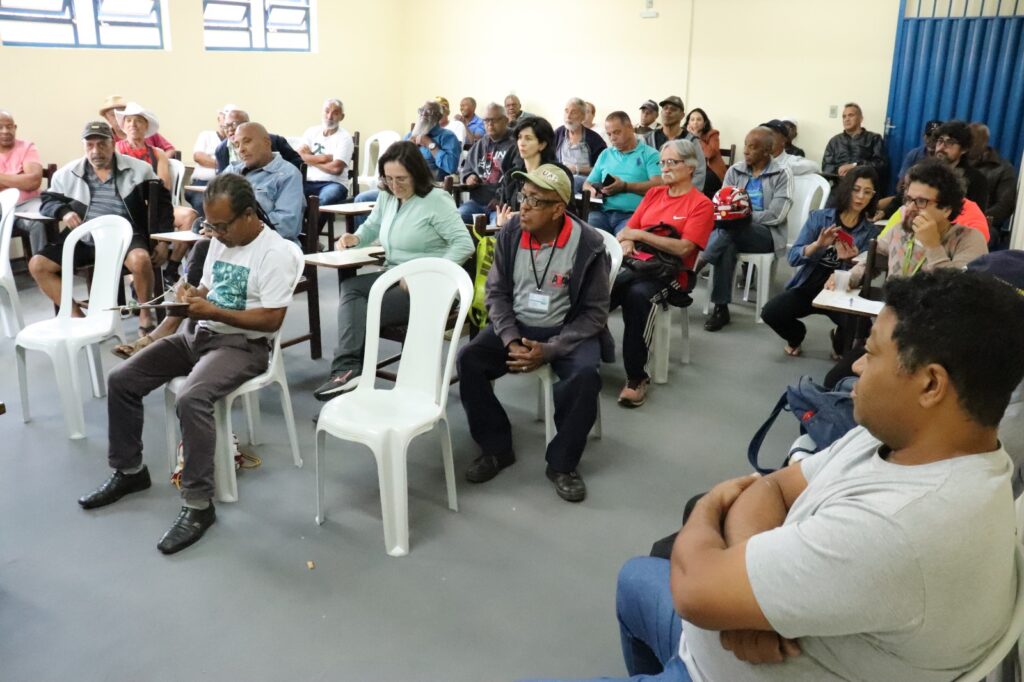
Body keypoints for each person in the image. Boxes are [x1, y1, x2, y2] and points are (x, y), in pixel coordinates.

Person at [561, 267, 1024, 682]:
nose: (857, 365)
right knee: (634, 579)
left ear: (930, 384)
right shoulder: (913, 439)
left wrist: (709, 507)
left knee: (661, 574)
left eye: (872, 352)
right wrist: (750, 611)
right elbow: (775, 485)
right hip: (715, 646)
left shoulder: (903, 527)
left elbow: (694, 591)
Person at [77, 173, 301, 555]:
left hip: (243, 346)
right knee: (122, 380)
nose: (215, 232)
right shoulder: (219, 241)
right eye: (210, 224)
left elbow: (271, 321)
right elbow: (211, 290)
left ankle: (199, 504)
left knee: (192, 398)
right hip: (201, 335)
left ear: (249, 215)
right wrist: (192, 295)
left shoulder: (274, 253)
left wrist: (211, 309)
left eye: (222, 225)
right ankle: (130, 472)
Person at [456, 164, 611, 502]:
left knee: (585, 375)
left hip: (568, 330)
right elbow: (495, 294)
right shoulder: (511, 232)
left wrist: (550, 350)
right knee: (470, 359)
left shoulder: (588, 243)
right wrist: (510, 339)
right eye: (523, 196)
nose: (523, 206)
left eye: (536, 201)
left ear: (558, 209)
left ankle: (562, 463)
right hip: (517, 325)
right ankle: (496, 448)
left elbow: (595, 314)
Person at [313, 141, 474, 400]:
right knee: (351, 289)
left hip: (430, 285)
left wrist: (428, 275)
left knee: (363, 311)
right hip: (394, 274)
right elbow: (372, 226)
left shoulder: (436, 200)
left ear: (417, 174)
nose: (394, 185)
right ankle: (349, 372)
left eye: (401, 179)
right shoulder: (388, 196)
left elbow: (463, 244)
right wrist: (355, 237)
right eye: (388, 178)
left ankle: (349, 377)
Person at [822, 158, 989, 388]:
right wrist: (850, 276)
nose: (910, 208)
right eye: (909, 198)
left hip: (934, 346)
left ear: (946, 208)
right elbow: (874, 255)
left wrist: (932, 247)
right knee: (835, 381)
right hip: (891, 332)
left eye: (921, 202)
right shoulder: (902, 228)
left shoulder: (969, 240)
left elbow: (958, 294)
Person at [31, 121, 173, 336]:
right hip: (84, 237)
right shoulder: (68, 173)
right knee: (38, 265)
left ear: (113, 143)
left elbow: (162, 204)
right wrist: (64, 212)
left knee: (141, 260)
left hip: (126, 235)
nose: (96, 151)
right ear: (84, 146)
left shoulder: (138, 169)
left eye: (102, 144)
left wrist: (163, 241)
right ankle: (77, 317)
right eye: (90, 145)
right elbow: (47, 201)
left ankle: (145, 313)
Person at [612, 140, 715, 408]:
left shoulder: (700, 204)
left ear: (691, 167)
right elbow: (627, 233)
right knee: (605, 283)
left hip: (670, 274)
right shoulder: (654, 194)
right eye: (662, 163)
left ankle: (637, 377)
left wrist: (638, 235)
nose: (665, 168)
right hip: (636, 264)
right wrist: (628, 244)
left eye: (672, 162)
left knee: (636, 296)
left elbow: (683, 249)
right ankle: (583, 345)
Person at [761, 167, 880, 357]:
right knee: (771, 312)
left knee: (861, 331)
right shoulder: (819, 218)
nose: (861, 197)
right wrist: (817, 245)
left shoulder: (870, 232)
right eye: (856, 189)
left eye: (867, 192)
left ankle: (838, 337)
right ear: (846, 189)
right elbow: (792, 258)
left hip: (841, 291)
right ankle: (796, 336)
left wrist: (852, 261)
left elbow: (871, 272)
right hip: (808, 286)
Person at [698, 127, 793, 332]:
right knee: (728, 240)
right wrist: (734, 217)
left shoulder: (782, 173)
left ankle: (700, 263)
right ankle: (721, 308)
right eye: (746, 145)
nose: (746, 151)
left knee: (730, 227)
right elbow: (722, 205)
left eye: (753, 147)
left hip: (765, 233)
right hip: (733, 231)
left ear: (767, 150)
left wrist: (743, 216)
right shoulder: (735, 171)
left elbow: (777, 214)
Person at [113, 102, 199, 283]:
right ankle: (139, 277)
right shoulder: (116, 151)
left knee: (190, 215)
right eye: (128, 120)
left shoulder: (157, 153)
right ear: (123, 125)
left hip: (156, 206)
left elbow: (163, 186)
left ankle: (171, 268)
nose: (133, 124)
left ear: (146, 126)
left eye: (138, 121)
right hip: (128, 210)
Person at [582, 112, 662, 235]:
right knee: (587, 236)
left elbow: (658, 186)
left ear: (630, 128)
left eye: (617, 132)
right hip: (602, 213)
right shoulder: (606, 154)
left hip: (633, 215)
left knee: (623, 245)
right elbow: (587, 183)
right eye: (609, 134)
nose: (612, 138)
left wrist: (625, 187)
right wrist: (593, 191)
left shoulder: (650, 154)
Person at [493, 116, 562, 221]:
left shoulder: (557, 175)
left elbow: (560, 215)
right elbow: (504, 212)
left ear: (542, 144)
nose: (521, 143)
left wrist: (517, 217)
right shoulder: (512, 176)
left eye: (528, 138)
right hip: (512, 232)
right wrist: (501, 221)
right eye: (520, 137)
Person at [458, 102, 515, 224]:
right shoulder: (480, 144)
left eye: (494, 120)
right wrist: (469, 177)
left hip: (503, 206)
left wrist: (501, 199)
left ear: (505, 120)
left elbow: (516, 179)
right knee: (455, 219)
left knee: (499, 227)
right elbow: (466, 169)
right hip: (477, 203)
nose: (489, 124)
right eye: (486, 120)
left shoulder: (515, 143)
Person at [0, 110, 45, 255]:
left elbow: (33, 181)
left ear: (15, 127)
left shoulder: (27, 147)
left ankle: (41, 269)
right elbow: (25, 181)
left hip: (26, 205)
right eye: (0, 127)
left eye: (9, 126)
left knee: (38, 223)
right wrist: (18, 178)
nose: (6, 131)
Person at [298, 98, 354, 207]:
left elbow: (336, 169)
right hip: (307, 182)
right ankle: (302, 224)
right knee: (289, 197)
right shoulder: (311, 132)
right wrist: (324, 158)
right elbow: (299, 156)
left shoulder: (344, 138)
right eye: (327, 111)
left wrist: (310, 158)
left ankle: (312, 225)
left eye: (335, 113)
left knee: (323, 201)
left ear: (342, 117)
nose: (329, 117)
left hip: (333, 184)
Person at [969, 123, 1018, 245]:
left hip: (984, 224)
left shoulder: (1003, 169)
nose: (968, 146)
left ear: (984, 142)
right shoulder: (958, 163)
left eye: (972, 142)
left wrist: (974, 219)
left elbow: (1005, 206)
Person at [646, 97, 707, 192]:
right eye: (665, 108)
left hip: (682, 196)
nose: (668, 111)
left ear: (682, 115)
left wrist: (682, 194)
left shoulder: (692, 141)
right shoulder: (648, 139)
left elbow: (699, 172)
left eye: (673, 109)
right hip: (652, 194)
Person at [214, 108, 301, 172]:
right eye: (226, 126)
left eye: (233, 124)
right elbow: (222, 179)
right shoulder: (221, 150)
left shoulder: (274, 141)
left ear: (247, 124)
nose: (229, 130)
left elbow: (298, 163)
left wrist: (278, 176)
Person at [932, 120, 989, 211]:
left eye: (950, 142)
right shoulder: (923, 171)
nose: (941, 147)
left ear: (964, 149)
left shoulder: (976, 180)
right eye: (940, 140)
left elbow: (975, 216)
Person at [554, 97, 607, 193]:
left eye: (573, 112)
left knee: (572, 181)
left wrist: (577, 169)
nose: (568, 116)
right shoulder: (558, 133)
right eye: (566, 111)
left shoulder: (595, 140)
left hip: (585, 182)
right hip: (559, 178)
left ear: (583, 116)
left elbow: (602, 170)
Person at [821, 102, 888, 179]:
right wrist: (838, 170)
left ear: (861, 118)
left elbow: (880, 165)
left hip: (863, 183)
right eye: (844, 116)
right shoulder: (834, 141)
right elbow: (826, 167)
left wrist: (855, 166)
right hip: (839, 184)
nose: (846, 119)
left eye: (851, 115)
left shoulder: (874, 138)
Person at [188, 105, 230, 215]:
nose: (227, 122)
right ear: (218, 119)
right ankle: (203, 230)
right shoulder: (206, 135)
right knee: (203, 202)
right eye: (224, 117)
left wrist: (211, 161)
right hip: (201, 183)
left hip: (225, 185)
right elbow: (199, 157)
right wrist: (223, 164)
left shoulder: (235, 140)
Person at [99, 94, 174, 151]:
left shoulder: (147, 132)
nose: (117, 118)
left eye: (121, 113)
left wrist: (159, 163)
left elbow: (170, 149)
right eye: (113, 115)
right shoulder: (106, 138)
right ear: (107, 118)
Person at [684, 107, 726, 181]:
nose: (695, 122)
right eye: (692, 119)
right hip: (692, 170)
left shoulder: (713, 134)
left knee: (697, 180)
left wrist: (696, 137)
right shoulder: (684, 135)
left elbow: (709, 153)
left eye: (699, 119)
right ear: (688, 123)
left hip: (711, 171)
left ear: (705, 123)